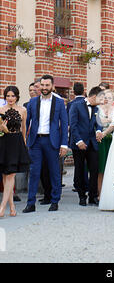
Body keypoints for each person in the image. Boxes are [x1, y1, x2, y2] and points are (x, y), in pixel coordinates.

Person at [23, 75, 69, 213]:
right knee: (34, 172)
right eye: (42, 85)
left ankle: (55, 201)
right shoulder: (32, 102)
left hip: (52, 141)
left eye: (47, 85)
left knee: (55, 172)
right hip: (35, 141)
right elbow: (26, 122)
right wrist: (25, 139)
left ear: (52, 86)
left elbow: (65, 123)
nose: (44, 88)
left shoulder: (59, 102)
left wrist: (64, 144)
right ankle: (30, 203)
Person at [0, 86, 31, 217]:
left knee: (11, 174)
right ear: (5, 97)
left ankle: (2, 207)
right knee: (5, 175)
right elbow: (0, 130)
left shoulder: (23, 110)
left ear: (17, 97)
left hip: (17, 142)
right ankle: (12, 207)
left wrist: (24, 144)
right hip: (4, 142)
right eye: (8, 96)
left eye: (13, 96)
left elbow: (24, 128)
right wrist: (2, 128)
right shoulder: (0, 110)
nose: (10, 98)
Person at [69, 86, 102, 206]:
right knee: (79, 170)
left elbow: (99, 123)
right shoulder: (76, 105)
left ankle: (93, 196)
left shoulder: (97, 108)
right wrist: (78, 141)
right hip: (79, 143)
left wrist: (99, 131)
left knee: (94, 169)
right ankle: (81, 196)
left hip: (92, 143)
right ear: (94, 96)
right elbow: (73, 125)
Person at [97, 89, 114, 198]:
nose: (106, 100)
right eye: (104, 97)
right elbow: (98, 122)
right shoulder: (98, 109)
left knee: (112, 167)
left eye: (109, 98)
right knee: (101, 168)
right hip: (101, 140)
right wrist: (109, 121)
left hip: (113, 139)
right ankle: (99, 194)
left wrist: (107, 121)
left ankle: (111, 194)